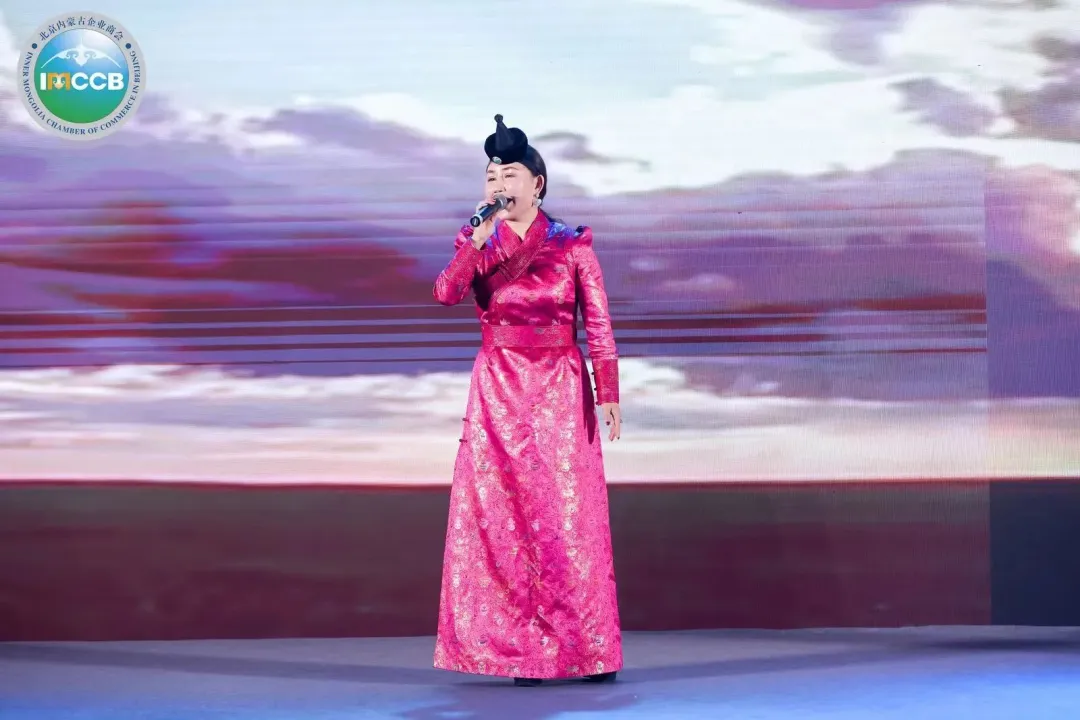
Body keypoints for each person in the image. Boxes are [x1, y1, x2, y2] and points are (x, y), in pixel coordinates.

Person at [432, 114, 623, 687]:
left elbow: (599, 324)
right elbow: (445, 294)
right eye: (491, 176)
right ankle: (522, 653)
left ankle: (588, 650)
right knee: (505, 517)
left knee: (568, 514)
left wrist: (607, 391)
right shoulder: (477, 241)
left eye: (508, 175)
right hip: (498, 389)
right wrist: (475, 243)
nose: (498, 185)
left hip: (559, 386)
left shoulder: (571, 244)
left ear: (536, 183)